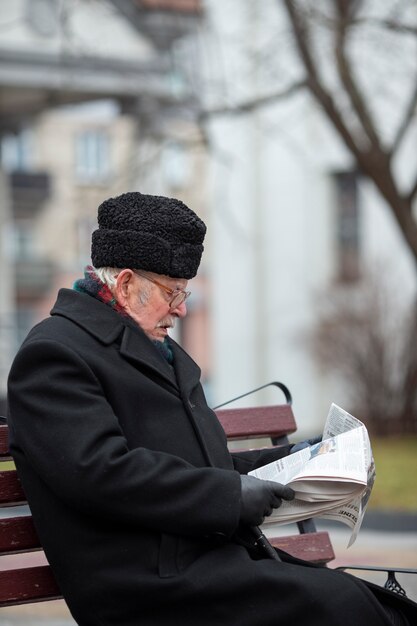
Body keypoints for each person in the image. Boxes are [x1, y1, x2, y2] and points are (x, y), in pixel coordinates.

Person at [7, 192, 416, 626]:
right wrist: (229, 496)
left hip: (202, 562)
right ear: (126, 284)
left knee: (376, 606)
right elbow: (101, 473)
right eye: (173, 291)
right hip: (146, 588)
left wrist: (302, 458)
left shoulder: (154, 348)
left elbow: (200, 463)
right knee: (345, 608)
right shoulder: (54, 355)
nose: (182, 308)